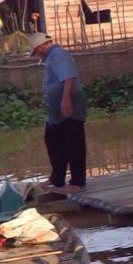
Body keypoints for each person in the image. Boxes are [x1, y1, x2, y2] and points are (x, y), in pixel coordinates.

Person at [30, 32, 88, 190]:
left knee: (73, 142)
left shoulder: (58, 54)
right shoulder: (52, 57)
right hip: (57, 111)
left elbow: (68, 77)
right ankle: (57, 178)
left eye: (36, 53)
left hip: (68, 106)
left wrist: (66, 100)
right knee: (54, 140)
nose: (37, 56)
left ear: (41, 47)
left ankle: (77, 181)